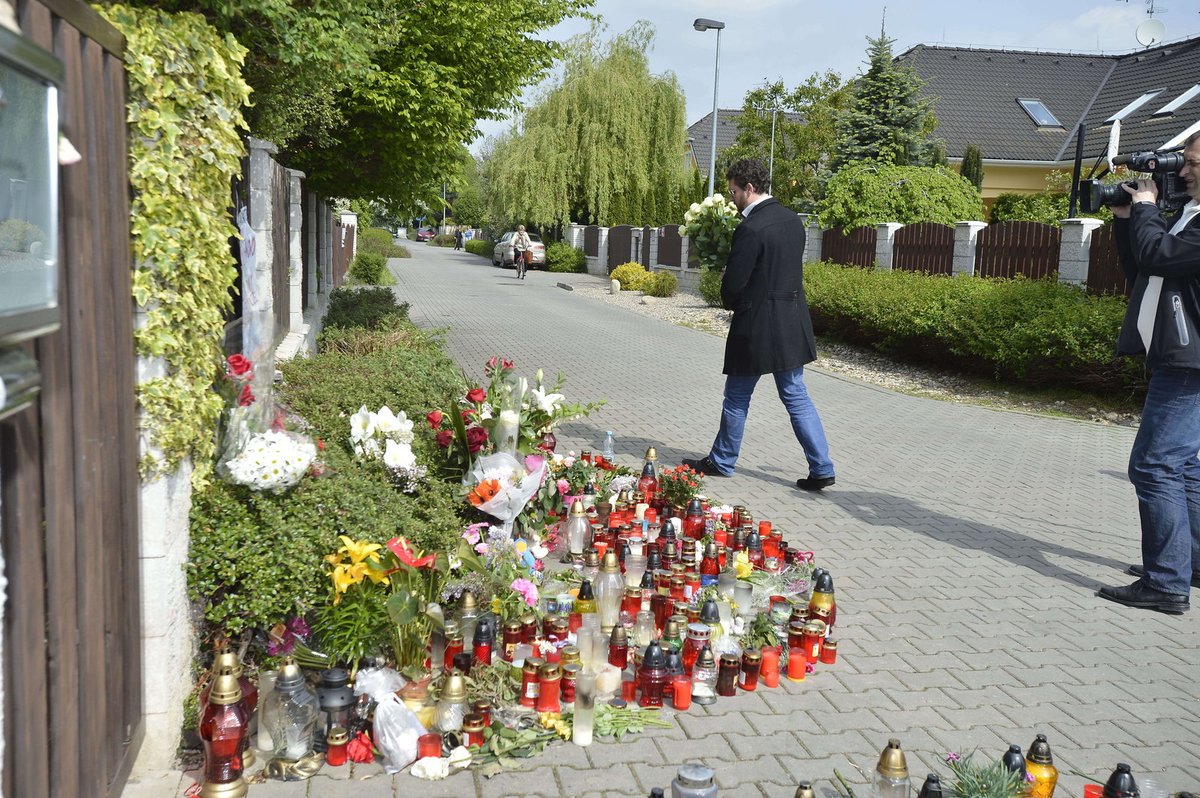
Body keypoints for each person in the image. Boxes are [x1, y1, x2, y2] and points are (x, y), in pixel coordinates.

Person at [682, 158, 836, 490]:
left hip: (756, 326)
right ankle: (822, 466)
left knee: (737, 396)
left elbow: (735, 285)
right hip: (792, 321)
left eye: (734, 191)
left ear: (749, 189)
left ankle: (722, 461)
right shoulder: (793, 221)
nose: (733, 197)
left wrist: (727, 288)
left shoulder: (751, 228)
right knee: (796, 395)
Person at [1098, 130, 1200, 615]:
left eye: (1193, 162)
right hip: (1180, 355)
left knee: (1154, 464)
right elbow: (1145, 265)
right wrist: (1126, 216)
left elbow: (1160, 254)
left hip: (1190, 363)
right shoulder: (1190, 215)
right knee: (1184, 466)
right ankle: (1190, 564)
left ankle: (1165, 582)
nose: (1182, 170)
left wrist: (1145, 206)